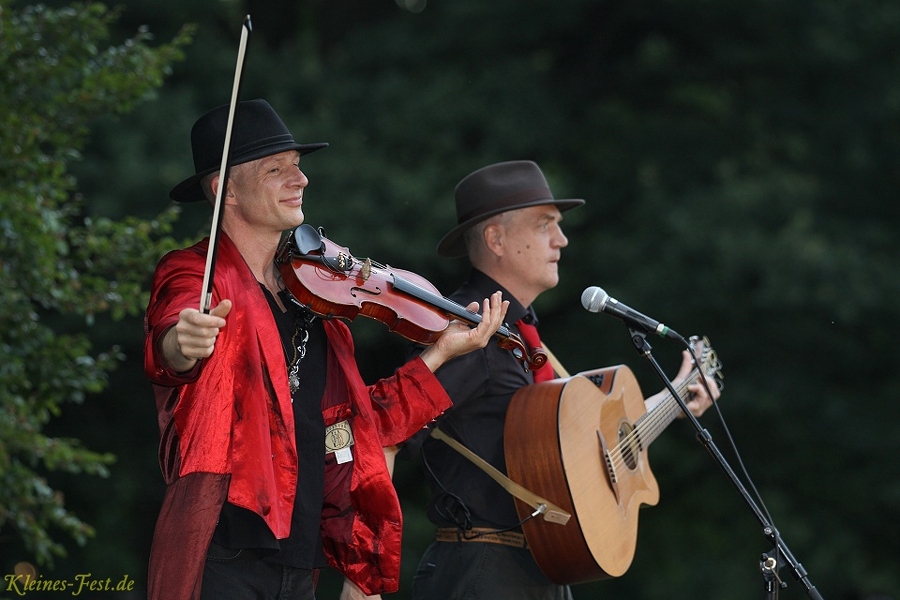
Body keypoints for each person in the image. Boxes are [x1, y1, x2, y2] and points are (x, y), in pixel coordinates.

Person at [142, 98, 509, 600]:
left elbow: (359, 426)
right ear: (225, 190)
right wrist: (182, 343)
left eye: (298, 166)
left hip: (302, 563)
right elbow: (172, 337)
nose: (301, 180)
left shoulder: (315, 302)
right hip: (222, 554)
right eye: (276, 169)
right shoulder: (195, 273)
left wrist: (440, 353)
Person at [403, 160, 721, 600]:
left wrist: (678, 396)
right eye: (545, 225)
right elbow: (391, 433)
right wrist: (361, 572)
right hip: (481, 571)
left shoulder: (524, 336)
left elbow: (593, 448)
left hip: (539, 568)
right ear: (495, 239)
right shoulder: (467, 330)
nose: (562, 239)